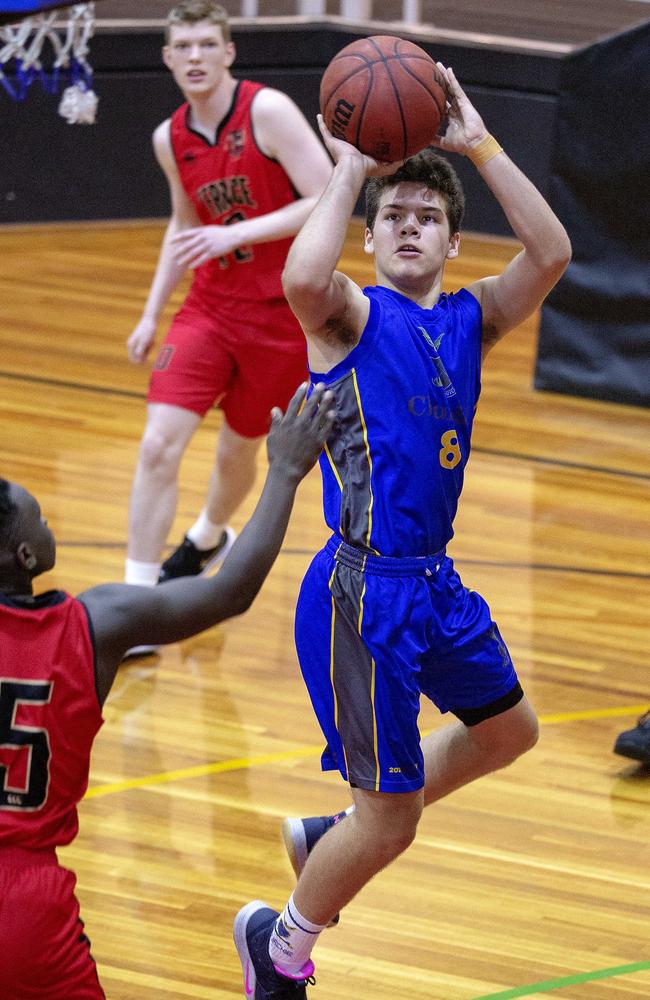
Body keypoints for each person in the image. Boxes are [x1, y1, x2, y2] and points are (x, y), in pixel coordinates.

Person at [233, 64, 572, 998]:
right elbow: (302, 271)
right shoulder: (346, 317)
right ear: (372, 237)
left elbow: (550, 253)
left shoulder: (473, 319)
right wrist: (348, 163)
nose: (410, 224)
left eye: (428, 215)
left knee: (510, 733)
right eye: (394, 215)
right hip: (363, 591)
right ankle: (282, 942)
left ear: (453, 241)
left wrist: (478, 142)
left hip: (433, 582)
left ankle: (336, 833)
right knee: (394, 822)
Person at [0, 383, 334, 998]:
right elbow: (227, 592)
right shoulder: (92, 624)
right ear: (25, 554)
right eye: (40, 518)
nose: (49, 523)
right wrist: (285, 471)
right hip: (24, 909)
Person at [124, 0, 332, 616]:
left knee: (238, 449)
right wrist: (150, 312)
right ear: (167, 58)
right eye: (182, 47)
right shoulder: (171, 138)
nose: (194, 57)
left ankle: (208, 535)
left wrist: (236, 234)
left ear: (229, 52)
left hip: (279, 313)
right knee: (159, 443)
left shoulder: (265, 110)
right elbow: (183, 226)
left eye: (206, 45)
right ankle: (134, 605)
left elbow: (326, 198)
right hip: (209, 309)